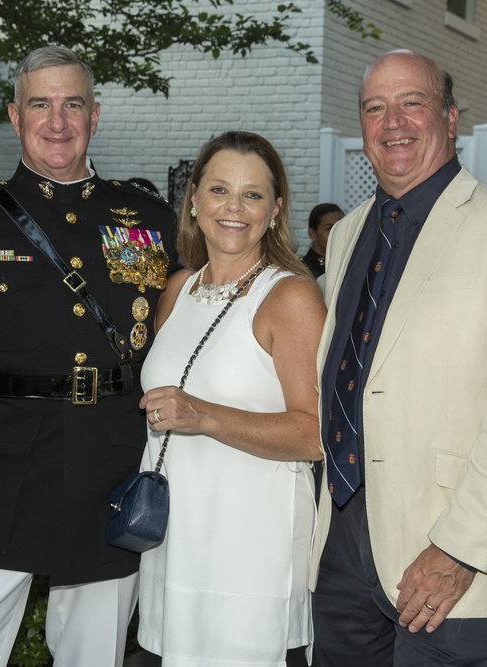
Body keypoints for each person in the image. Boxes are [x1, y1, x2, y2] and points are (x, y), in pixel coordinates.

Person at [0, 46, 176, 667]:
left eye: (72, 104)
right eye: (40, 104)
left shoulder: (147, 221)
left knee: (95, 657)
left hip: (110, 472)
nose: (57, 122)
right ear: (14, 115)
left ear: (95, 114)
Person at [310, 50, 487, 666]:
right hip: (341, 542)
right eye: (375, 107)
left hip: (444, 550)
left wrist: (459, 549)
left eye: (412, 103)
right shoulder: (347, 234)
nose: (392, 121)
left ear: (450, 119)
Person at [135, 131, 326, 666]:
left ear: (276, 209)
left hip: (248, 549)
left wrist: (204, 416)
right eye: (219, 190)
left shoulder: (290, 296)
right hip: (174, 542)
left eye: (253, 194)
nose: (233, 208)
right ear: (193, 199)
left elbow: (316, 435)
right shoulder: (178, 288)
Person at [302, 203, 344, 277]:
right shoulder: (302, 269)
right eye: (330, 228)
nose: (338, 233)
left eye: (342, 227)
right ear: (312, 234)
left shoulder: (347, 265)